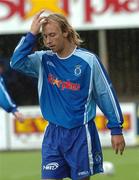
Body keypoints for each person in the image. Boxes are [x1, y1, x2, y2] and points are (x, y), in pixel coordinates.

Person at [10, 10, 125, 180]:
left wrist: (116, 128)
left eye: (52, 35)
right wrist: (31, 35)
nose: (48, 41)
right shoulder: (43, 60)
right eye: (44, 37)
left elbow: (105, 94)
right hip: (53, 136)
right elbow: (16, 62)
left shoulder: (89, 61)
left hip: (81, 134)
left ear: (65, 32)